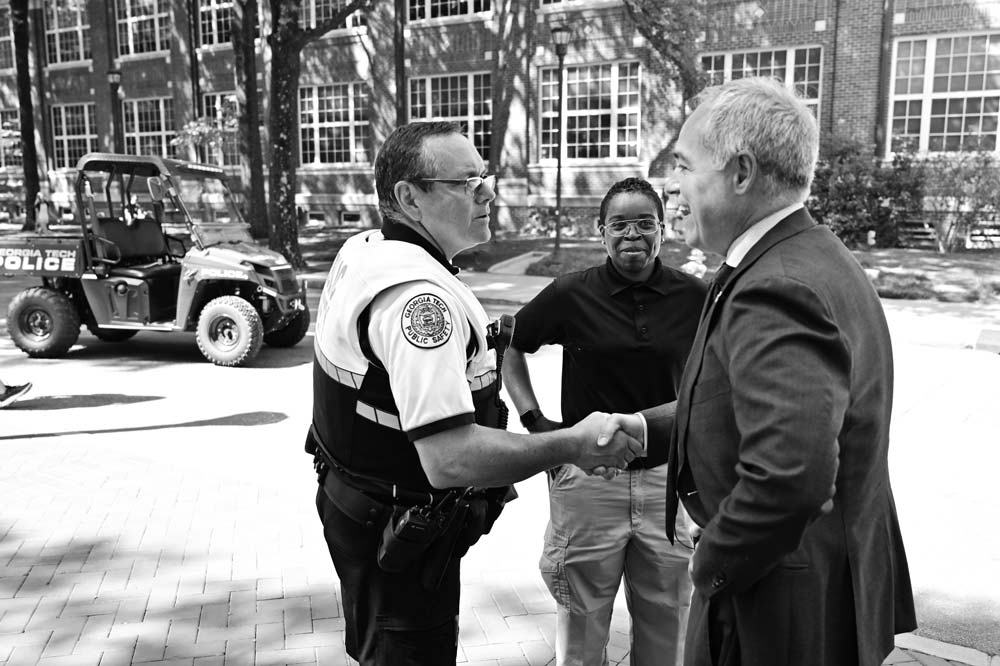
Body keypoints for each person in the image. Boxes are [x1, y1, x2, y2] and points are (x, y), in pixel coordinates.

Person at [600, 77, 916, 666]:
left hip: (776, 606)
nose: (671, 186)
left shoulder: (776, 286)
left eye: (686, 166)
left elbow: (789, 476)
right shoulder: (808, 254)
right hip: (812, 585)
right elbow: (743, 401)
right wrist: (648, 429)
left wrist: (711, 560)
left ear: (741, 173)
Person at [308, 121, 643, 666]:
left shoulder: (369, 247)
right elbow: (449, 458)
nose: (489, 191)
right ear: (408, 198)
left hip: (364, 513)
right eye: (467, 182)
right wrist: (570, 444)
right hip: (400, 542)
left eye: (484, 175)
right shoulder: (418, 300)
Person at [503, 177, 707, 666]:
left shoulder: (695, 297)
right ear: (601, 231)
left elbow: (719, 380)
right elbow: (511, 346)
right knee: (582, 627)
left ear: (662, 230)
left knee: (667, 623)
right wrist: (538, 424)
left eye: (644, 223)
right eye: (619, 224)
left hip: (666, 484)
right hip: (590, 481)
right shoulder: (571, 294)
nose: (632, 234)